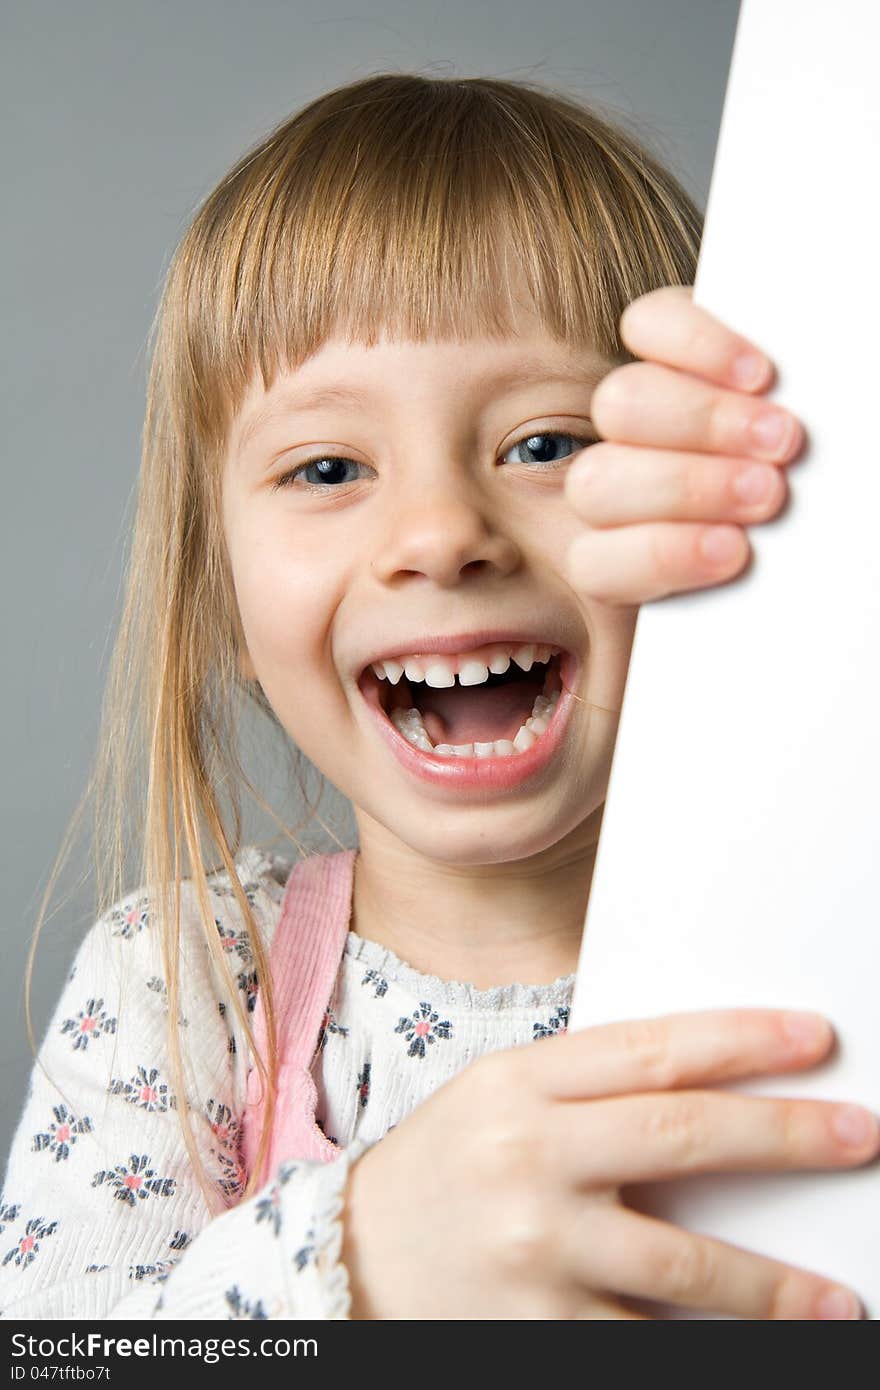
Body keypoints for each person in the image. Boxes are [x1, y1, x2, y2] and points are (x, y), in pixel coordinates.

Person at [1, 72, 875, 1322]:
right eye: (326, 465)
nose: (440, 533)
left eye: (546, 443)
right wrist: (357, 1262)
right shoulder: (180, 989)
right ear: (220, 596)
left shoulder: (840, 932)